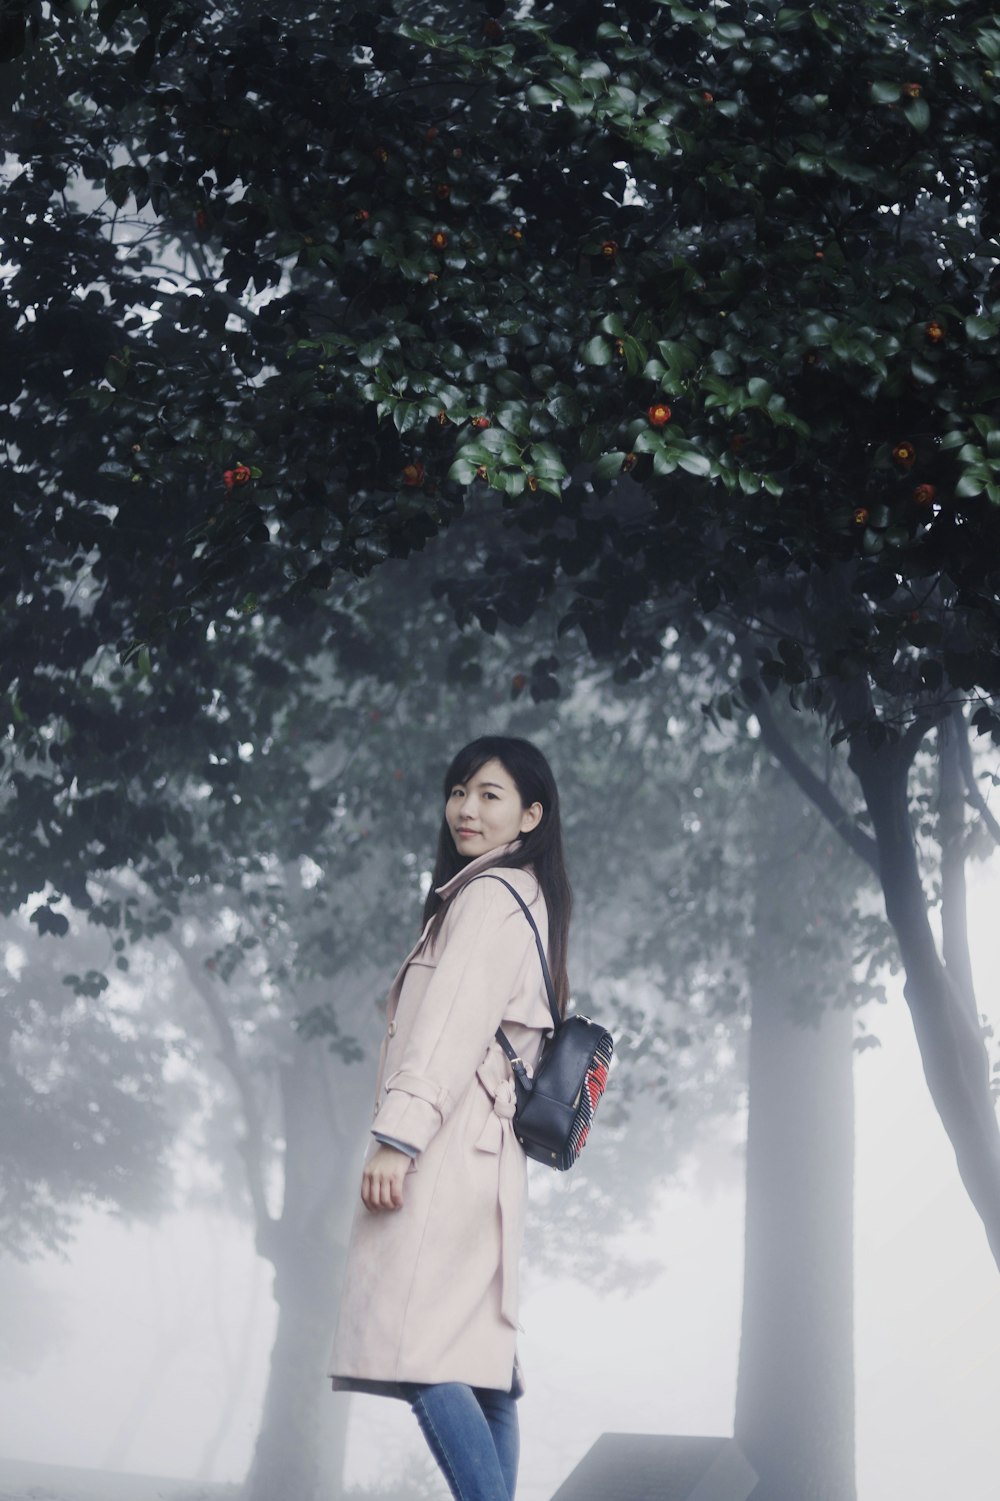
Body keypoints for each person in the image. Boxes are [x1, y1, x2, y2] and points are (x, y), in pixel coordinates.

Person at [328, 735, 572, 1501]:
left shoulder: (489, 898)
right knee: (480, 1368)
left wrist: (396, 1137)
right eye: (459, 790)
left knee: (424, 1353)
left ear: (530, 815)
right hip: (485, 1158)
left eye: (490, 794)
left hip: (443, 1151)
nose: (466, 808)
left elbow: (448, 1028)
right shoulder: (526, 898)